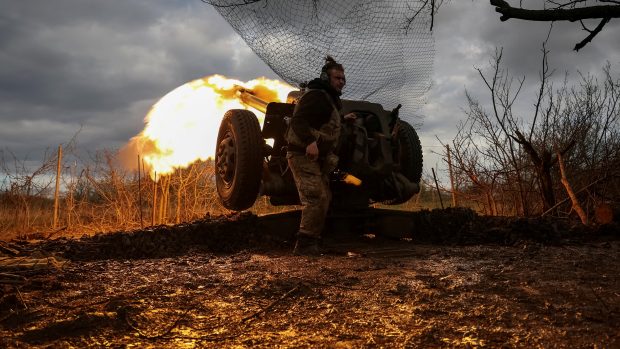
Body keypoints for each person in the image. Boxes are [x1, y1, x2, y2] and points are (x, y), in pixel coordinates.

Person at [286, 56, 352, 255]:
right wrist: (310, 142)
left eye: (343, 79)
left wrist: (342, 119)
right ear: (326, 77)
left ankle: (313, 239)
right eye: (337, 78)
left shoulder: (328, 99)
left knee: (324, 197)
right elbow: (298, 121)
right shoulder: (316, 95)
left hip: (317, 160)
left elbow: (323, 120)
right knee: (315, 197)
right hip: (302, 155)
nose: (341, 81)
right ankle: (304, 245)